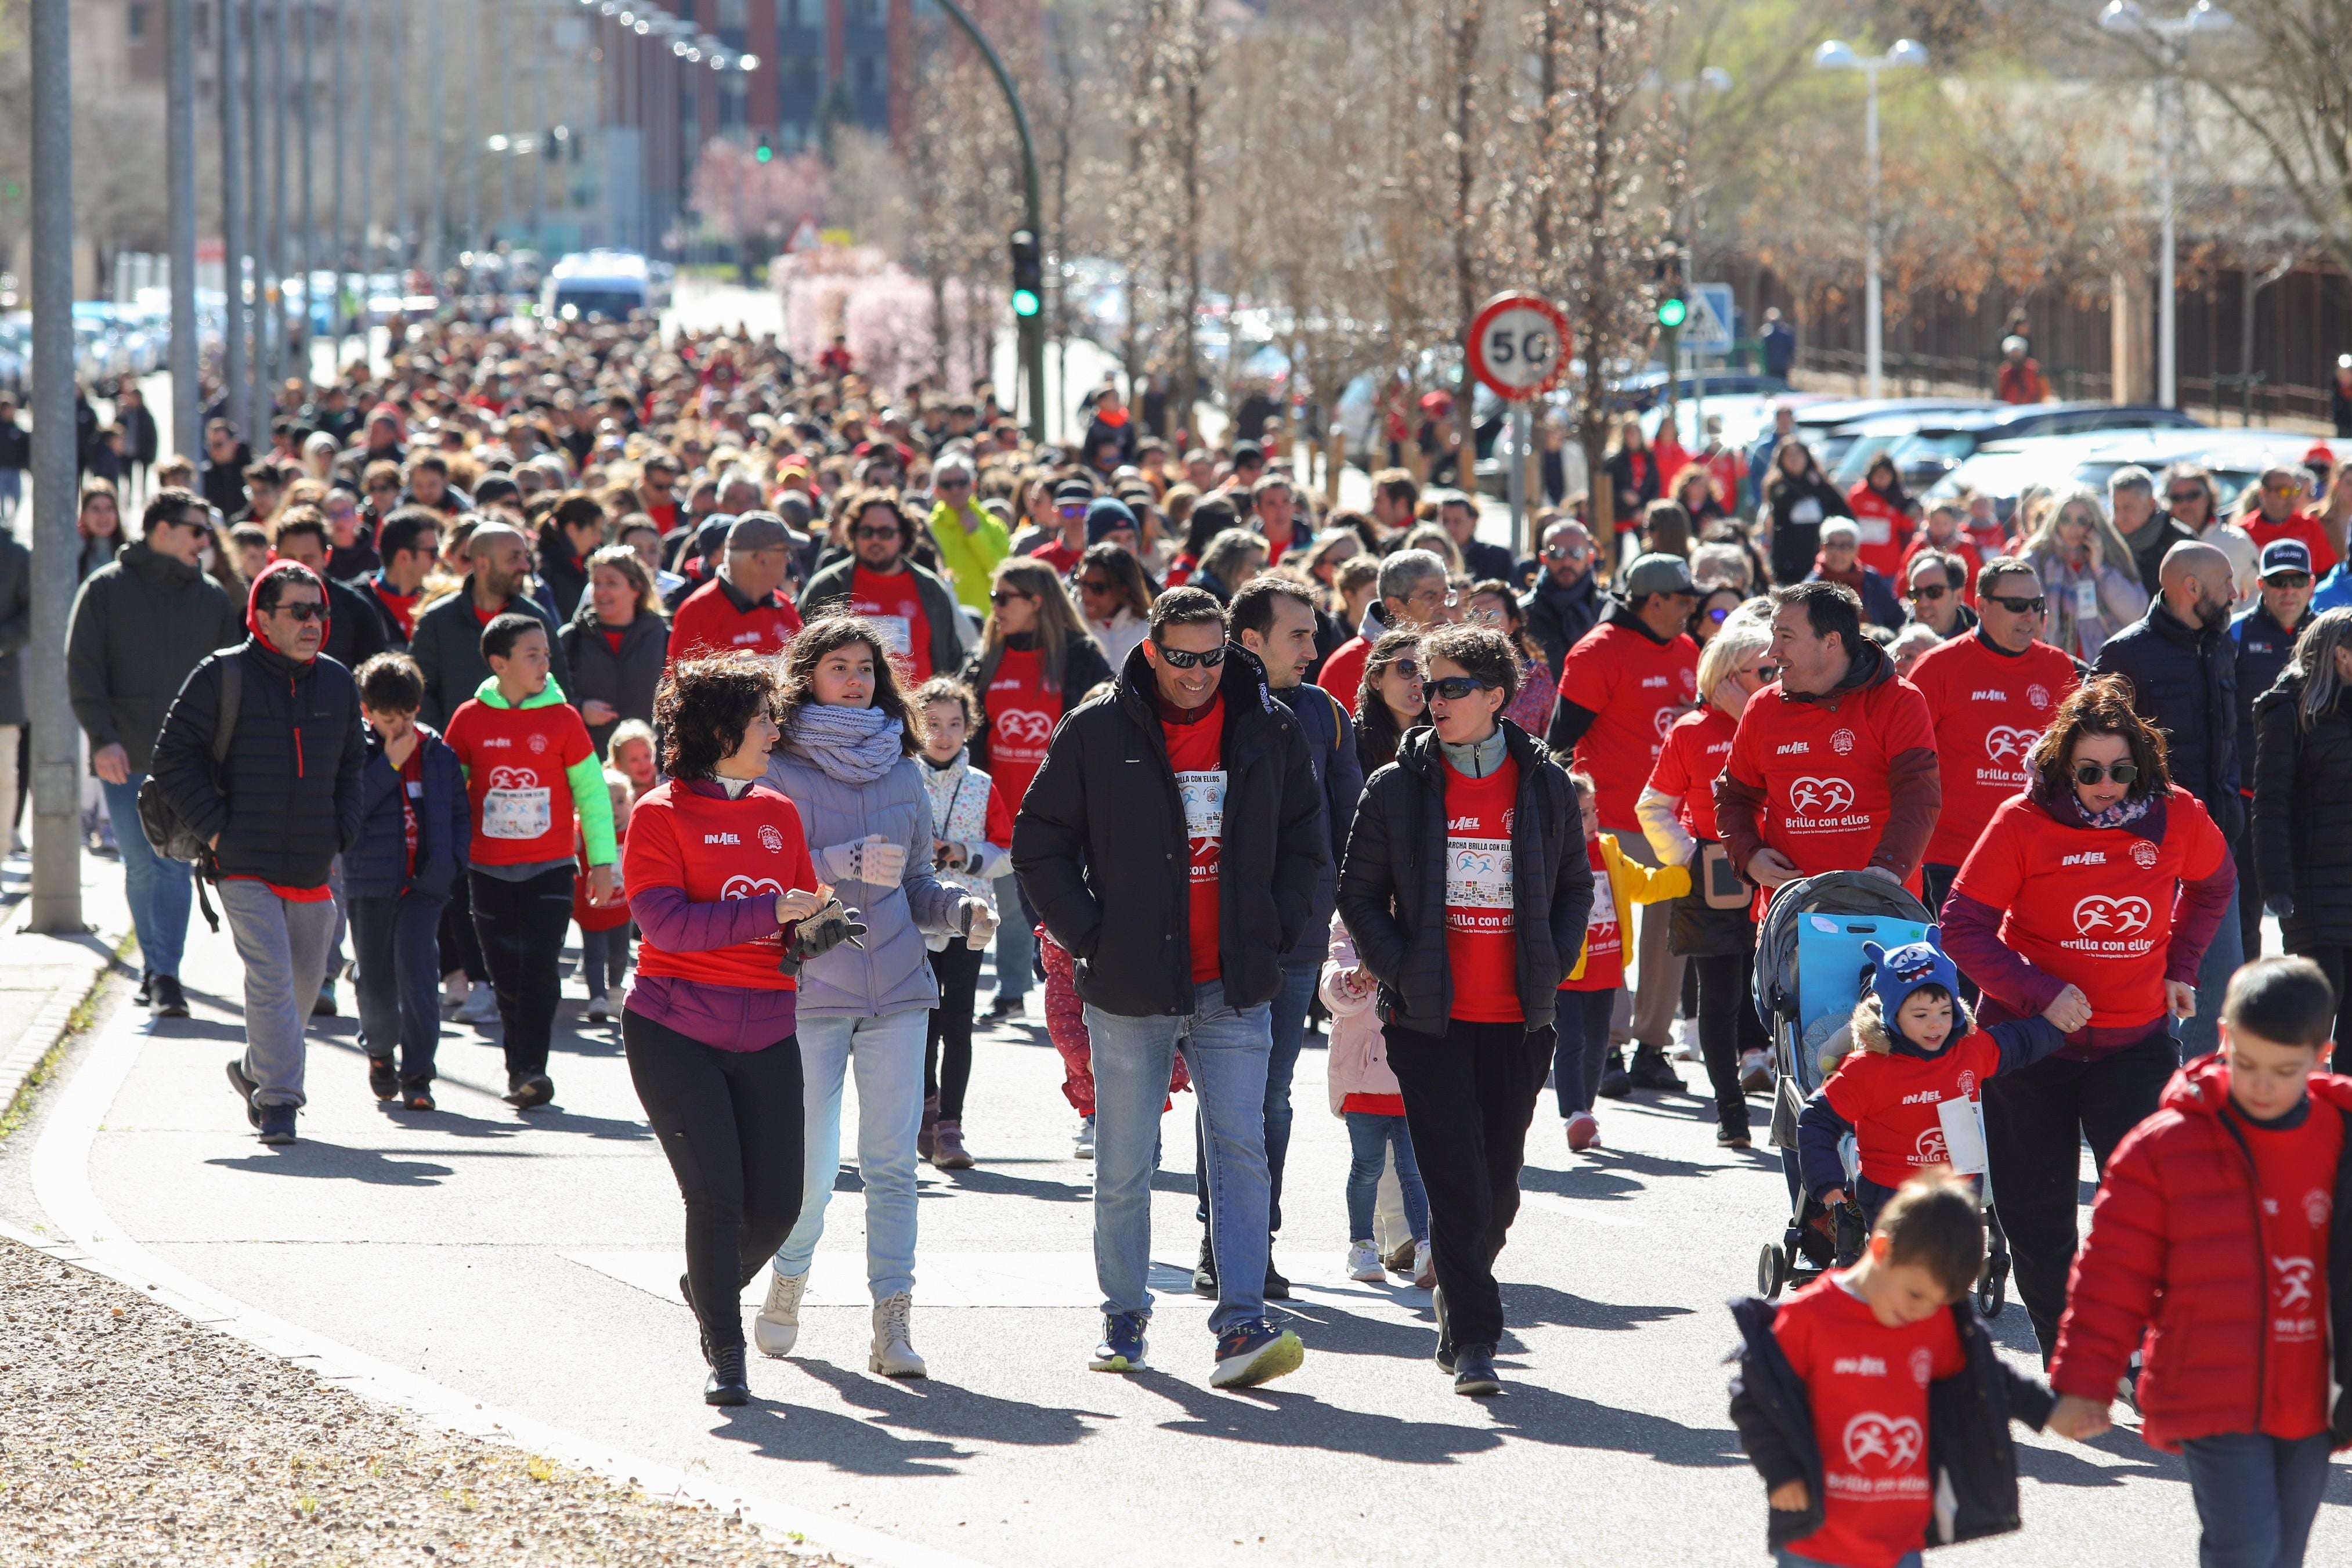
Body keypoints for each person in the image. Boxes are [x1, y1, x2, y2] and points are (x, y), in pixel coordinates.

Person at [1013, 586, 1328, 1390]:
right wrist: (1090, 934)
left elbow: (1308, 843)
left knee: (1241, 1152)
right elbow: (1039, 842)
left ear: (1233, 651)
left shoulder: (1269, 726)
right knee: (1124, 1159)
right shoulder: (1097, 729)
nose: (1196, 673)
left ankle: (1242, 1323)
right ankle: (1124, 1316)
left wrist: (1278, 926)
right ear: (1151, 651)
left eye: (1212, 656)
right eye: (1180, 657)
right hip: (1128, 984)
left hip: (1234, 979)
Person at [1939, 676, 2233, 1360]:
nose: (2107, 785)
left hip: (2135, 1041)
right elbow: (1961, 925)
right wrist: (2040, 992)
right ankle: (2067, 1349)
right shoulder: (2022, 820)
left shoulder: (2176, 816)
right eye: (2090, 771)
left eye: (2121, 770)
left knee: (2146, 1204)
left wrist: (2181, 965)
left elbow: (2216, 883)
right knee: (2036, 1210)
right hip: (2029, 1043)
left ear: (2145, 765)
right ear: (2062, 765)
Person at [1336, 622, 1595, 1394]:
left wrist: (1550, 959)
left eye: (1450, 686)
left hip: (1519, 1018)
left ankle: (1458, 1284)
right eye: (1424, 683)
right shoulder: (1396, 784)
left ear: (1493, 696)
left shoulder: (1544, 782)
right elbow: (1357, 895)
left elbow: (1575, 886)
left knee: (1499, 1185)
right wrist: (1401, 971)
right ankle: (1477, 1339)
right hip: (1429, 1020)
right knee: (1453, 1180)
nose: (1431, 697)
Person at [2046, 958, 2352, 1568]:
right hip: (2211, 1385)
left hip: (2313, 1390)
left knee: (2284, 1549)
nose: (2263, 1084)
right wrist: (2086, 1380)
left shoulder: (2342, 1132)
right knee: (2246, 1548)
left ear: (2324, 1052)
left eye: (2285, 1070)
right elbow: (2112, 1270)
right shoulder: (2166, 1143)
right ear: (2224, 1036)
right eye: (2247, 1062)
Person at [753, 617, 996, 1381]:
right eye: (837, 666)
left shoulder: (903, 768)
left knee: (892, 1164)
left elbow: (918, 882)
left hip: (898, 988)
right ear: (806, 676)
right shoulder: (779, 768)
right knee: (811, 1169)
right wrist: (836, 861)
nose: (855, 679)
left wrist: (960, 910)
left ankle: (892, 1322)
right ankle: (789, 1278)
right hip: (809, 991)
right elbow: (762, 885)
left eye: (865, 667)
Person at [622, 653, 840, 1408]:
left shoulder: (778, 811)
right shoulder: (659, 814)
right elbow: (663, 924)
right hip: (675, 1030)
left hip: (769, 1030)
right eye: (762, 720)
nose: (775, 731)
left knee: (779, 1203)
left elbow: (794, 915)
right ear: (720, 730)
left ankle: (705, 1282)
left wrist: (821, 927)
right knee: (715, 1201)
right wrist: (768, 911)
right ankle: (725, 1348)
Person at [1728, 1175, 2055, 1568]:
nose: (1921, 1312)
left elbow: (1983, 1374)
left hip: (1899, 1540)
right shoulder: (1810, 1318)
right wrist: (1780, 1474)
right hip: (1815, 1541)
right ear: (1881, 1250)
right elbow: (1753, 1397)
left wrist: (2048, 1409)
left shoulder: (1926, 1321)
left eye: (1937, 1303)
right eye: (1916, 1294)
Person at [150, 562, 366, 1146]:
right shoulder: (222, 676)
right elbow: (171, 759)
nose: (312, 621)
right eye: (298, 611)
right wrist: (220, 833)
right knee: (269, 975)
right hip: (241, 863)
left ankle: (253, 1070)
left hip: (314, 865)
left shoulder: (338, 681)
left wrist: (341, 829)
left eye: (319, 610)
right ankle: (278, 1100)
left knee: (302, 983)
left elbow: (355, 762)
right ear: (262, 617)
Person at [1193, 577, 1363, 1298]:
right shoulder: (1208, 707)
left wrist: (1352, 921)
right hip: (1215, 934)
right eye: (1299, 634)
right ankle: (1219, 1238)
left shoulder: (1324, 712)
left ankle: (1252, 1241)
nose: (1314, 647)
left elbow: (1350, 824)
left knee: (1271, 1097)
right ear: (1250, 640)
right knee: (1227, 1096)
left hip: (1296, 940)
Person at [66, 487, 245, 1018]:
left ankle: (165, 973)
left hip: (190, 764)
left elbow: (231, 684)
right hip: (124, 756)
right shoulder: (105, 590)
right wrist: (101, 738)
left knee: (172, 867)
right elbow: (84, 669)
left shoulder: (212, 597)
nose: (205, 541)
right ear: (163, 531)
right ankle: (155, 965)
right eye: (197, 530)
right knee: (141, 865)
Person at [442, 614, 619, 1111]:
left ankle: (531, 1069)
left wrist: (602, 861)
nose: (545, 662)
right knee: (504, 973)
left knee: (539, 968)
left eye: (546, 653)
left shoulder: (563, 719)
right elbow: (451, 795)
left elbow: (592, 793)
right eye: (532, 655)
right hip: (487, 869)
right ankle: (518, 1066)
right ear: (500, 664)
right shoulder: (469, 719)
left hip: (551, 866)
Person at [1548, 551, 1700, 1094]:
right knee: (1605, 932)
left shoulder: (1687, 650)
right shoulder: (1598, 651)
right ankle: (1606, 1045)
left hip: (1670, 818)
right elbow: (1560, 738)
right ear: (1653, 600)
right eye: (1683, 599)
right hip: (1609, 821)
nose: (1692, 609)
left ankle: (1652, 1046)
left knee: (1670, 936)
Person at [2094, 541, 2243, 1059]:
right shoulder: (2124, 655)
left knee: (2219, 996)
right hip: (2143, 858)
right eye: (2227, 583)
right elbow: (2089, 756)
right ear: (2192, 589)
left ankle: (2199, 1107)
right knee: (2157, 998)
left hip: (2214, 853)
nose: (2236, 594)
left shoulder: (2221, 645)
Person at [1797, 938, 2065, 1226]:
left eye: (1945, 1012)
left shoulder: (1970, 1048)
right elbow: (1819, 1118)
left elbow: (2018, 1043)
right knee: (1901, 1269)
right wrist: (1825, 1177)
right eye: (1921, 1015)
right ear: (1893, 1015)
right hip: (1891, 1191)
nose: (1935, 1024)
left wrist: (2063, 1024)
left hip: (1958, 1186)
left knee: (1954, 1268)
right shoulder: (1869, 1068)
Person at [1638, 608, 1780, 1148]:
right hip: (1715, 886)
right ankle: (1731, 1113)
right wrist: (1691, 858)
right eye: (1762, 672)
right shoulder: (1692, 731)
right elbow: (1653, 807)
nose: (1774, 680)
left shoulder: (1784, 723)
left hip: (1779, 879)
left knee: (1778, 997)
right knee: (1719, 1001)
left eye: (1776, 670)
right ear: (1725, 679)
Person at [1715, 581, 1939, 908]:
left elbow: (1918, 796)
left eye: (1786, 637)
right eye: (1774, 635)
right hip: (1789, 920)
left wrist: (1887, 871)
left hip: (1882, 910)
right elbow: (1733, 796)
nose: (1772, 651)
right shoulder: (1762, 707)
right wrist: (1748, 855)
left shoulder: (1899, 701)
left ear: (1831, 641)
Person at [960, 557, 1114, 1017]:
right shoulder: (988, 656)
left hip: (1065, 812)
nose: (995, 607)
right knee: (1007, 902)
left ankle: (1075, 998)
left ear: (1036, 601)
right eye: (993, 597)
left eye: (1004, 598)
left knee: (1056, 908)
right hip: (999, 805)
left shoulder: (1079, 654)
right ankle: (1011, 992)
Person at [1904, 558, 2083, 945]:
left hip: (2031, 856)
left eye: (2037, 605)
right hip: (1952, 856)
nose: (2029, 616)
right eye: (2017, 606)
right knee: (1963, 981)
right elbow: (1903, 758)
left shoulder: (2057, 667)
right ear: (1982, 607)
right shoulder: (1938, 666)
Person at [346, 652, 469, 1111]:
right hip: (371, 884)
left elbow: (459, 812)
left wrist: (451, 863)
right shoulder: (356, 751)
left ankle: (418, 1075)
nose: (399, 728)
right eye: (387, 719)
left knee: (419, 980)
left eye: (408, 717)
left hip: (423, 888)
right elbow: (349, 811)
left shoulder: (438, 753)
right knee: (375, 983)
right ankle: (379, 1051)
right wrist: (390, 764)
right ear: (367, 713)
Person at [1555, 768, 1690, 1146]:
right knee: (1570, 1043)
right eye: (1582, 813)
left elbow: (1646, 885)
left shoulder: (1610, 850)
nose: (1592, 819)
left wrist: (1688, 875)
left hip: (1606, 967)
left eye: (1592, 810)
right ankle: (1574, 1113)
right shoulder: (1551, 857)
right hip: (1566, 971)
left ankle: (1585, 1112)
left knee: (1598, 1043)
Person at [913, 676, 1014, 1170]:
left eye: (954, 724)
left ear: (969, 728)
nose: (944, 734)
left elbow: (1006, 852)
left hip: (970, 919)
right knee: (921, 1024)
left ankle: (949, 1127)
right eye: (932, 724)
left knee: (958, 1023)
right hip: (914, 920)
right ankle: (926, 1109)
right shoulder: (901, 777)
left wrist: (965, 854)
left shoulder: (982, 785)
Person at [2252, 608, 2352, 1043]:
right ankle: (2296, 1106)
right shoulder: (2287, 709)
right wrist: (2276, 883)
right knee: (2316, 1016)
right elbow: (2271, 803)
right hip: (2314, 889)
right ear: (2342, 657)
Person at [1320, 913, 1435, 1289]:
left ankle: (1425, 1248)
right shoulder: (1350, 922)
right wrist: (1356, 978)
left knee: (1411, 1169)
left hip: (1408, 1073)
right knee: (1366, 1166)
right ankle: (1362, 1245)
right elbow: (1334, 989)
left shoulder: (1417, 911)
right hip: (1361, 1080)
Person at [2231, 539, 2317, 960]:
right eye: (2278, 581)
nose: (2288, 590)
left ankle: (2307, 1019)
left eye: (2296, 580)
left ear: (2311, 584)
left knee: (2312, 922)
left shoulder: (2332, 634)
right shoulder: (2234, 633)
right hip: (2249, 801)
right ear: (2260, 584)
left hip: (2312, 804)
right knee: (2244, 921)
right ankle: (2245, 1018)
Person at [408, 521, 575, 730]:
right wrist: (442, 749)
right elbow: (418, 692)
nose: (526, 566)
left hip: (525, 756)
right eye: (514, 558)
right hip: (456, 757)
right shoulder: (437, 621)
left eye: (526, 556)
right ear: (483, 564)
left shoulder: (535, 618)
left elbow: (559, 692)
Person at [800, 490, 963, 684]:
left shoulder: (931, 588)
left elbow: (951, 658)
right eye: (867, 532)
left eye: (885, 533)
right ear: (853, 534)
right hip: (848, 711)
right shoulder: (828, 585)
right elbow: (801, 654)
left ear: (902, 537)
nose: (875, 540)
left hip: (917, 711)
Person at [557, 544, 670, 758]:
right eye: (596, 583)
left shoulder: (664, 638)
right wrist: (579, 708)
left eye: (612, 583)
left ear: (636, 589)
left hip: (653, 764)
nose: (601, 591)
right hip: (589, 761)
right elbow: (549, 693)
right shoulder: (571, 638)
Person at [2018, 484, 2147, 663]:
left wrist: (2100, 569)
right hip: (2051, 664)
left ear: (2094, 525)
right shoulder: (2036, 560)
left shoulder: (2111, 555)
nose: (2073, 528)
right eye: (2065, 519)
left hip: (2105, 667)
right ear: (2055, 521)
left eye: (2082, 521)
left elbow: (2135, 612)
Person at [1317, 547, 1452, 714]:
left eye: (1446, 596)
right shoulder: (1350, 662)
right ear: (1395, 606)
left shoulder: (1456, 655)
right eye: (1430, 598)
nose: (1443, 608)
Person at [667, 511, 804, 668]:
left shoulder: (784, 606)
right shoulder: (698, 611)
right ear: (761, 559)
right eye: (786, 552)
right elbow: (676, 684)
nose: (789, 559)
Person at [268, 508, 391, 672]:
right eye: (290, 559)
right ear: (275, 556)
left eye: (308, 560)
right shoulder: (261, 607)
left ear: (327, 556)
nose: (298, 568)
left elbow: (373, 682)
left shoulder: (357, 610)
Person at [926, 456, 1010, 616]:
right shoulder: (929, 529)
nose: (955, 490)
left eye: (961, 483)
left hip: (986, 619)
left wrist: (976, 534)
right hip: (942, 617)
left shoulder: (995, 526)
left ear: (973, 485)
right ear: (936, 490)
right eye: (947, 485)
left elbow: (1003, 573)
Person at [1760, 439, 1850, 590]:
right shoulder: (1777, 485)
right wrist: (1809, 484)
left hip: (1820, 556)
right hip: (1789, 560)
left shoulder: (1821, 484)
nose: (1794, 459)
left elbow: (1844, 512)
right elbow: (1784, 499)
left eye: (1798, 454)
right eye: (1789, 455)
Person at [1520, 519, 1602, 673]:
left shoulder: (1609, 610)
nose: (1566, 561)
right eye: (1556, 553)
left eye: (1575, 553)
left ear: (1590, 558)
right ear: (1543, 559)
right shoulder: (1521, 615)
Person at [363, 507, 441, 651]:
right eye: (433, 552)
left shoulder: (439, 602)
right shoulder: (358, 604)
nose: (438, 560)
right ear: (404, 557)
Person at [2239, 462, 2339, 575]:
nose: (2291, 498)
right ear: (2263, 493)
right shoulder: (2243, 532)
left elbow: (2327, 572)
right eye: (2284, 491)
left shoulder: (2309, 525)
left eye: (2295, 491)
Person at [1805, 519, 1905, 631]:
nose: (1838, 553)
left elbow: (1897, 618)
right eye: (1831, 545)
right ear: (1822, 548)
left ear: (1856, 549)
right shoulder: (1811, 587)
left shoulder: (1871, 580)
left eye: (1845, 546)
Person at [2107, 465, 2191, 597]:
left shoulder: (2180, 543)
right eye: (2115, 508)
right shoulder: (2106, 541)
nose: (2119, 517)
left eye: (2128, 508)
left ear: (2151, 505)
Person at [1353, 628, 1426, 774]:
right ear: (1375, 680)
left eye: (1425, 671)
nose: (1419, 682)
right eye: (1406, 669)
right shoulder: (1352, 741)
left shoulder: (1443, 736)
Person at [1076, 541, 1152, 670]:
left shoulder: (1149, 630)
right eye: (1082, 584)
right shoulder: (1071, 628)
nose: (1086, 595)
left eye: (1097, 588)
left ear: (1124, 588)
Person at [1844, 454, 1915, 580]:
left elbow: (1907, 530)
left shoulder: (1900, 499)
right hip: (1860, 565)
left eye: (1886, 474)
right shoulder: (1858, 495)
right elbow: (1847, 523)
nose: (1882, 478)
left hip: (1889, 567)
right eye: (1878, 474)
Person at [1437, 490, 1515, 583]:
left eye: (1457, 521)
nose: (1450, 528)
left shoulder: (1497, 558)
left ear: (1473, 522)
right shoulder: (1432, 557)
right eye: (1445, 521)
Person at [1896, 550, 1972, 640]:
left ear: (1958, 596)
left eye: (1934, 592)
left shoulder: (1985, 645)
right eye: (1916, 594)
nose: (1923, 603)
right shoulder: (1897, 651)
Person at [1997, 334, 2047, 404]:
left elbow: (2044, 391)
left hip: (2031, 409)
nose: (2015, 355)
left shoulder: (2034, 369)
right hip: (2009, 410)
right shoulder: (2004, 371)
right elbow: (1999, 392)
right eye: (2013, 353)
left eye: (2017, 353)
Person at [1759, 307, 1796, 380]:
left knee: (1770, 386)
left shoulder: (1765, 334)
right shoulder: (1787, 333)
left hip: (1769, 366)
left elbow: (1761, 349)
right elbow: (1791, 349)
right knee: (1782, 387)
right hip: (1783, 366)